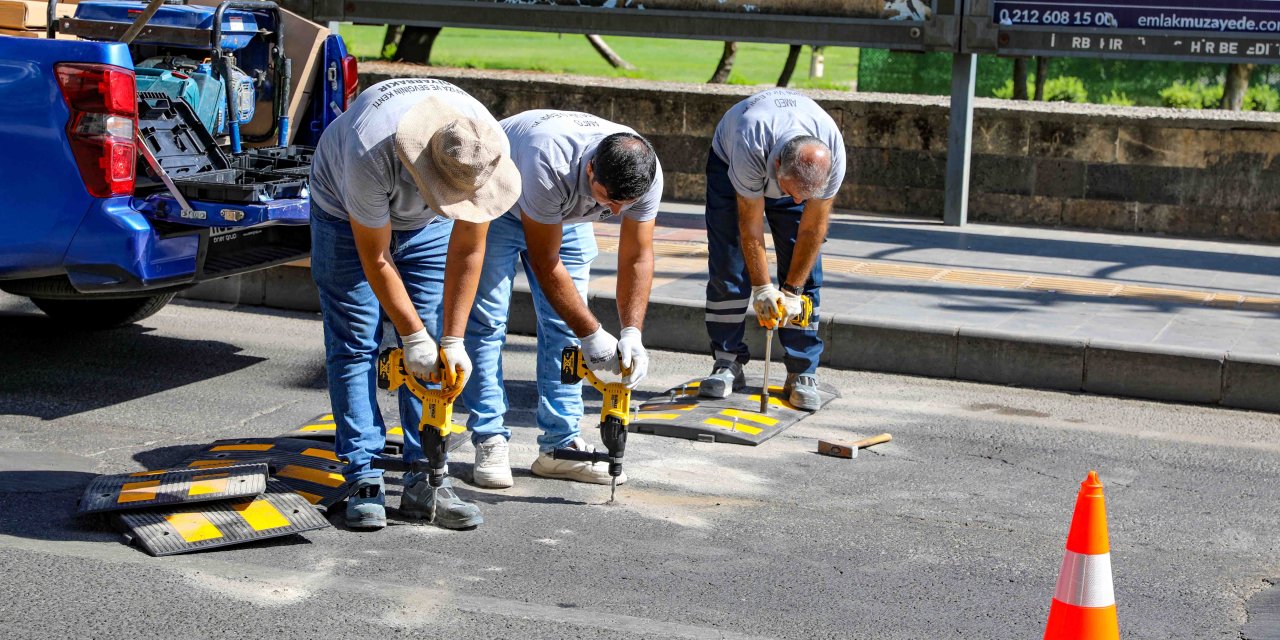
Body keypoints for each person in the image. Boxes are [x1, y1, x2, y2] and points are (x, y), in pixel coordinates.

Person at [309, 78, 520, 530]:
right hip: (344, 216)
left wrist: (451, 338)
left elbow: (469, 250)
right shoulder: (370, 148)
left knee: (431, 352)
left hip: (422, 226)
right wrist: (412, 337)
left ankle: (427, 476)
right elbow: (376, 257)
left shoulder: (481, 147)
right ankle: (363, 474)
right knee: (355, 339)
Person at [460, 109, 663, 489]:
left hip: (565, 215)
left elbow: (637, 255)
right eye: (608, 199)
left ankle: (559, 447)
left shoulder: (645, 172)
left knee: (564, 326)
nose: (616, 212)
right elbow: (544, 261)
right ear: (590, 172)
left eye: (627, 204)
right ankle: (488, 437)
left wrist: (632, 332)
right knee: (485, 321)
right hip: (501, 203)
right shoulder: (548, 159)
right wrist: (593, 333)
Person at [699, 88, 846, 411]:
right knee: (728, 262)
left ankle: (802, 370)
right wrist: (763, 288)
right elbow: (749, 226)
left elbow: (813, 229)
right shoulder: (748, 142)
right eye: (792, 193)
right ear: (776, 165)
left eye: (803, 198)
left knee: (805, 269)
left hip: (792, 166)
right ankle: (727, 361)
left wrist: (791, 291)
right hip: (729, 162)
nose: (796, 203)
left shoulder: (831, 154)